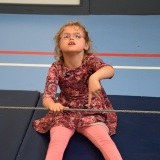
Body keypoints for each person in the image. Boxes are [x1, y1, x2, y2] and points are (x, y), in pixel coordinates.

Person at [33, 21, 122, 160]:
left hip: (90, 111)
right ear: (59, 46)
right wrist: (52, 105)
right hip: (65, 112)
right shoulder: (56, 68)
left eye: (77, 35)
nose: (71, 38)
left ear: (86, 45)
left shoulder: (91, 61)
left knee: (105, 143)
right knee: (56, 143)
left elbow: (109, 70)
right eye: (66, 36)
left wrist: (94, 77)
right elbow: (47, 96)